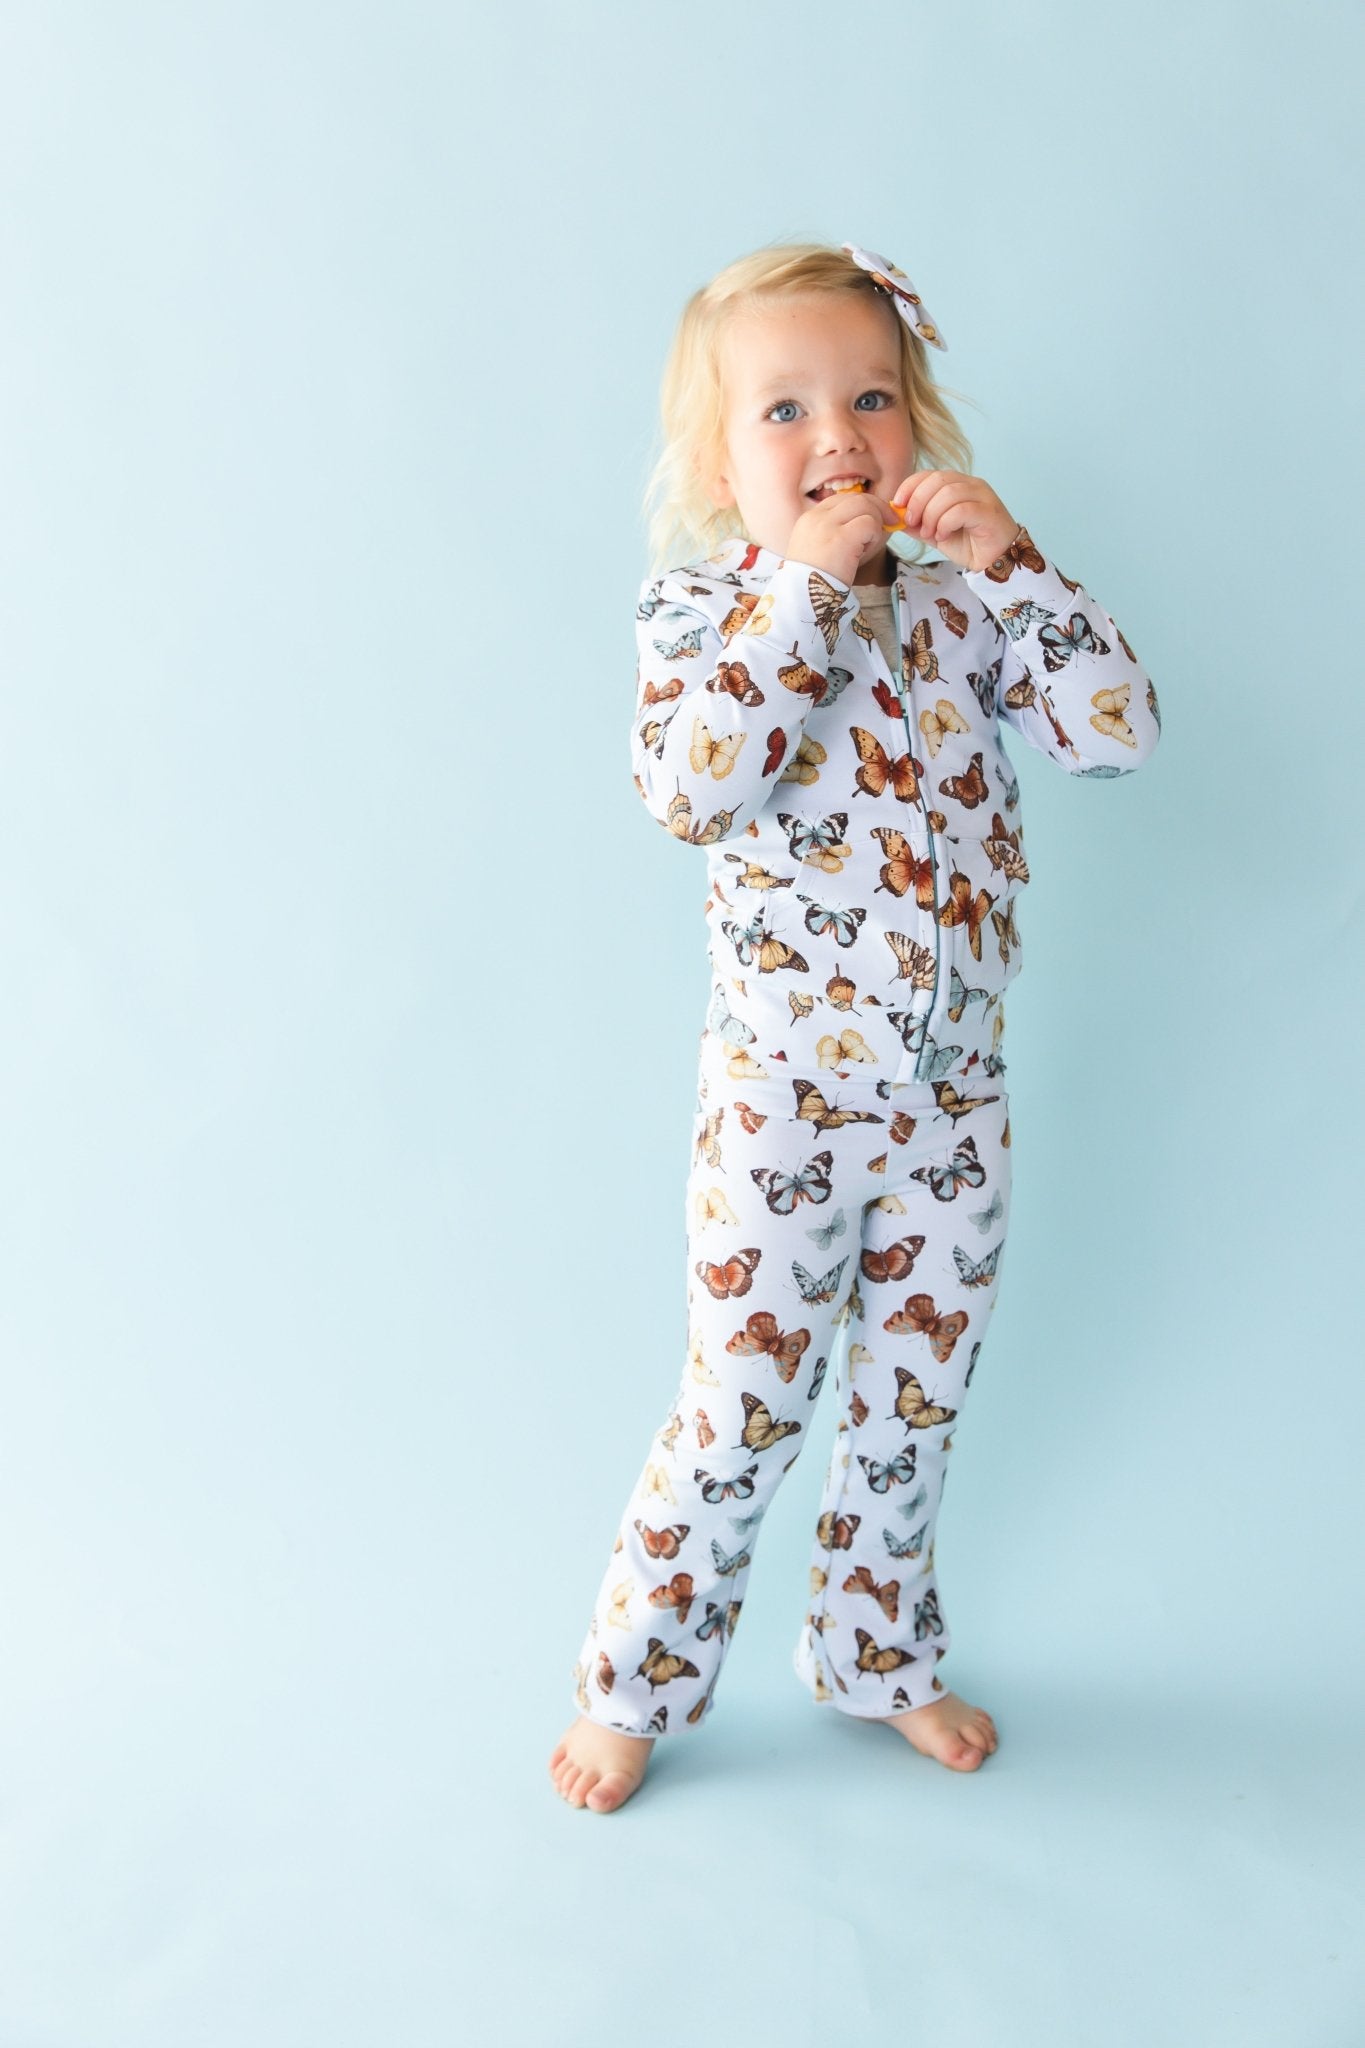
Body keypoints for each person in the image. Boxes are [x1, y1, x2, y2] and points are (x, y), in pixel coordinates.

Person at [549, 240, 1161, 1814]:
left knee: (913, 1396)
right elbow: (687, 789)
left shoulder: (967, 616)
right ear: (714, 465)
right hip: (782, 1105)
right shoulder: (704, 617)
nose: (837, 435)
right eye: (784, 410)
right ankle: (635, 1682)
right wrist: (804, 596)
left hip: (953, 1102)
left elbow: (1116, 736)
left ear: (920, 424)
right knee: (742, 1406)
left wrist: (1019, 566)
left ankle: (876, 1652)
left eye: (871, 397)